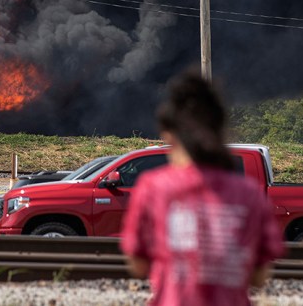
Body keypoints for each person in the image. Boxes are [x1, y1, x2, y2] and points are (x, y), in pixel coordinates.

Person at [120, 69, 284, 306]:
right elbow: (259, 277)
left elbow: (138, 265)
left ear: (168, 134)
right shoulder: (249, 193)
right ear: (219, 127)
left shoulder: (154, 187)